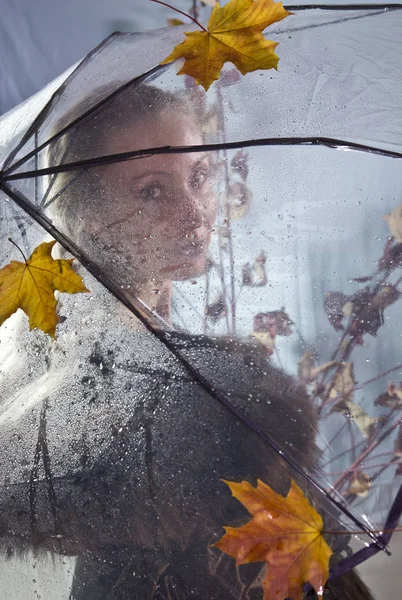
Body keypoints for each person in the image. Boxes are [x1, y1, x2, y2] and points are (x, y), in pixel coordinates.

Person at [0, 81, 374, 600]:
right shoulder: (187, 397)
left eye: (199, 178)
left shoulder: (46, 353)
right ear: (87, 215)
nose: (195, 213)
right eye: (151, 190)